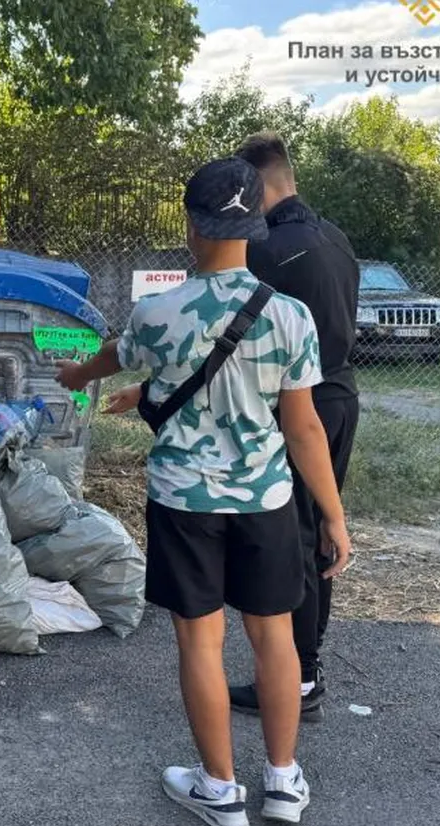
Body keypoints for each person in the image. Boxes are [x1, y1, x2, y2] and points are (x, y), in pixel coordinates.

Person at [57, 158, 351, 826]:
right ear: (256, 227)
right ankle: (283, 780)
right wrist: (333, 517)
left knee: (200, 641)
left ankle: (219, 789)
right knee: (274, 635)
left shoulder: (157, 312)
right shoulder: (289, 316)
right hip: (266, 500)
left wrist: (77, 375)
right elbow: (303, 427)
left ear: (191, 225)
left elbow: (115, 358)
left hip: (184, 501)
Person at [106, 131, 361, 722]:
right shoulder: (335, 240)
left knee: (277, 563)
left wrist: (146, 388)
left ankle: (295, 680)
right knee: (312, 540)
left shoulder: (263, 251)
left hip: (277, 413)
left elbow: (216, 349)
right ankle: (307, 670)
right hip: (335, 399)